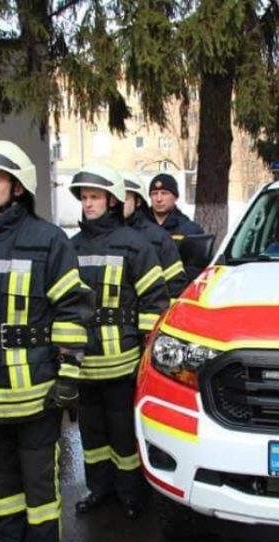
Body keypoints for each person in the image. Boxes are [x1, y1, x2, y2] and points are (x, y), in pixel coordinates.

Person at [0, 141, 91, 542]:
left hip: (37, 387)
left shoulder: (48, 241)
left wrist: (69, 377)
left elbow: (73, 312)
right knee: (0, 481)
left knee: (39, 482)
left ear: (18, 187)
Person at [69, 163, 170, 519]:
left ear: (112, 200)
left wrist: (144, 354)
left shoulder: (135, 245)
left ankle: (131, 494)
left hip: (122, 361)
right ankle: (99, 489)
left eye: (95, 197)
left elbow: (155, 303)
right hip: (84, 364)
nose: (88, 204)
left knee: (124, 434)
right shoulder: (72, 246)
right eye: (84, 197)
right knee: (92, 437)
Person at [122, 169, 189, 297]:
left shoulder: (187, 230)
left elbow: (183, 280)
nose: (159, 199)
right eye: (154, 193)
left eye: (164, 193)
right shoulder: (113, 233)